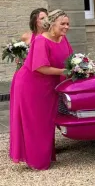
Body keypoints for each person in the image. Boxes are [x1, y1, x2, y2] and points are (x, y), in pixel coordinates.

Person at [10, 9, 72, 170]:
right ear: (52, 24)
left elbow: (70, 58)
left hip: (49, 86)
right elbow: (40, 67)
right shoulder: (40, 41)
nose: (66, 27)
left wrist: (81, 66)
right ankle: (37, 161)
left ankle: (45, 155)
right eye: (62, 24)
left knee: (47, 121)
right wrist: (65, 72)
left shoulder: (63, 39)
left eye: (67, 24)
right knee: (36, 122)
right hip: (31, 86)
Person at [9, 8, 48, 157]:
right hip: (26, 79)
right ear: (35, 21)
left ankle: (43, 146)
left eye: (47, 17)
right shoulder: (27, 37)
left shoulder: (49, 37)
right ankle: (25, 148)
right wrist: (19, 60)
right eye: (42, 18)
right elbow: (17, 55)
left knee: (41, 114)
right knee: (25, 115)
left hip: (42, 81)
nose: (46, 21)